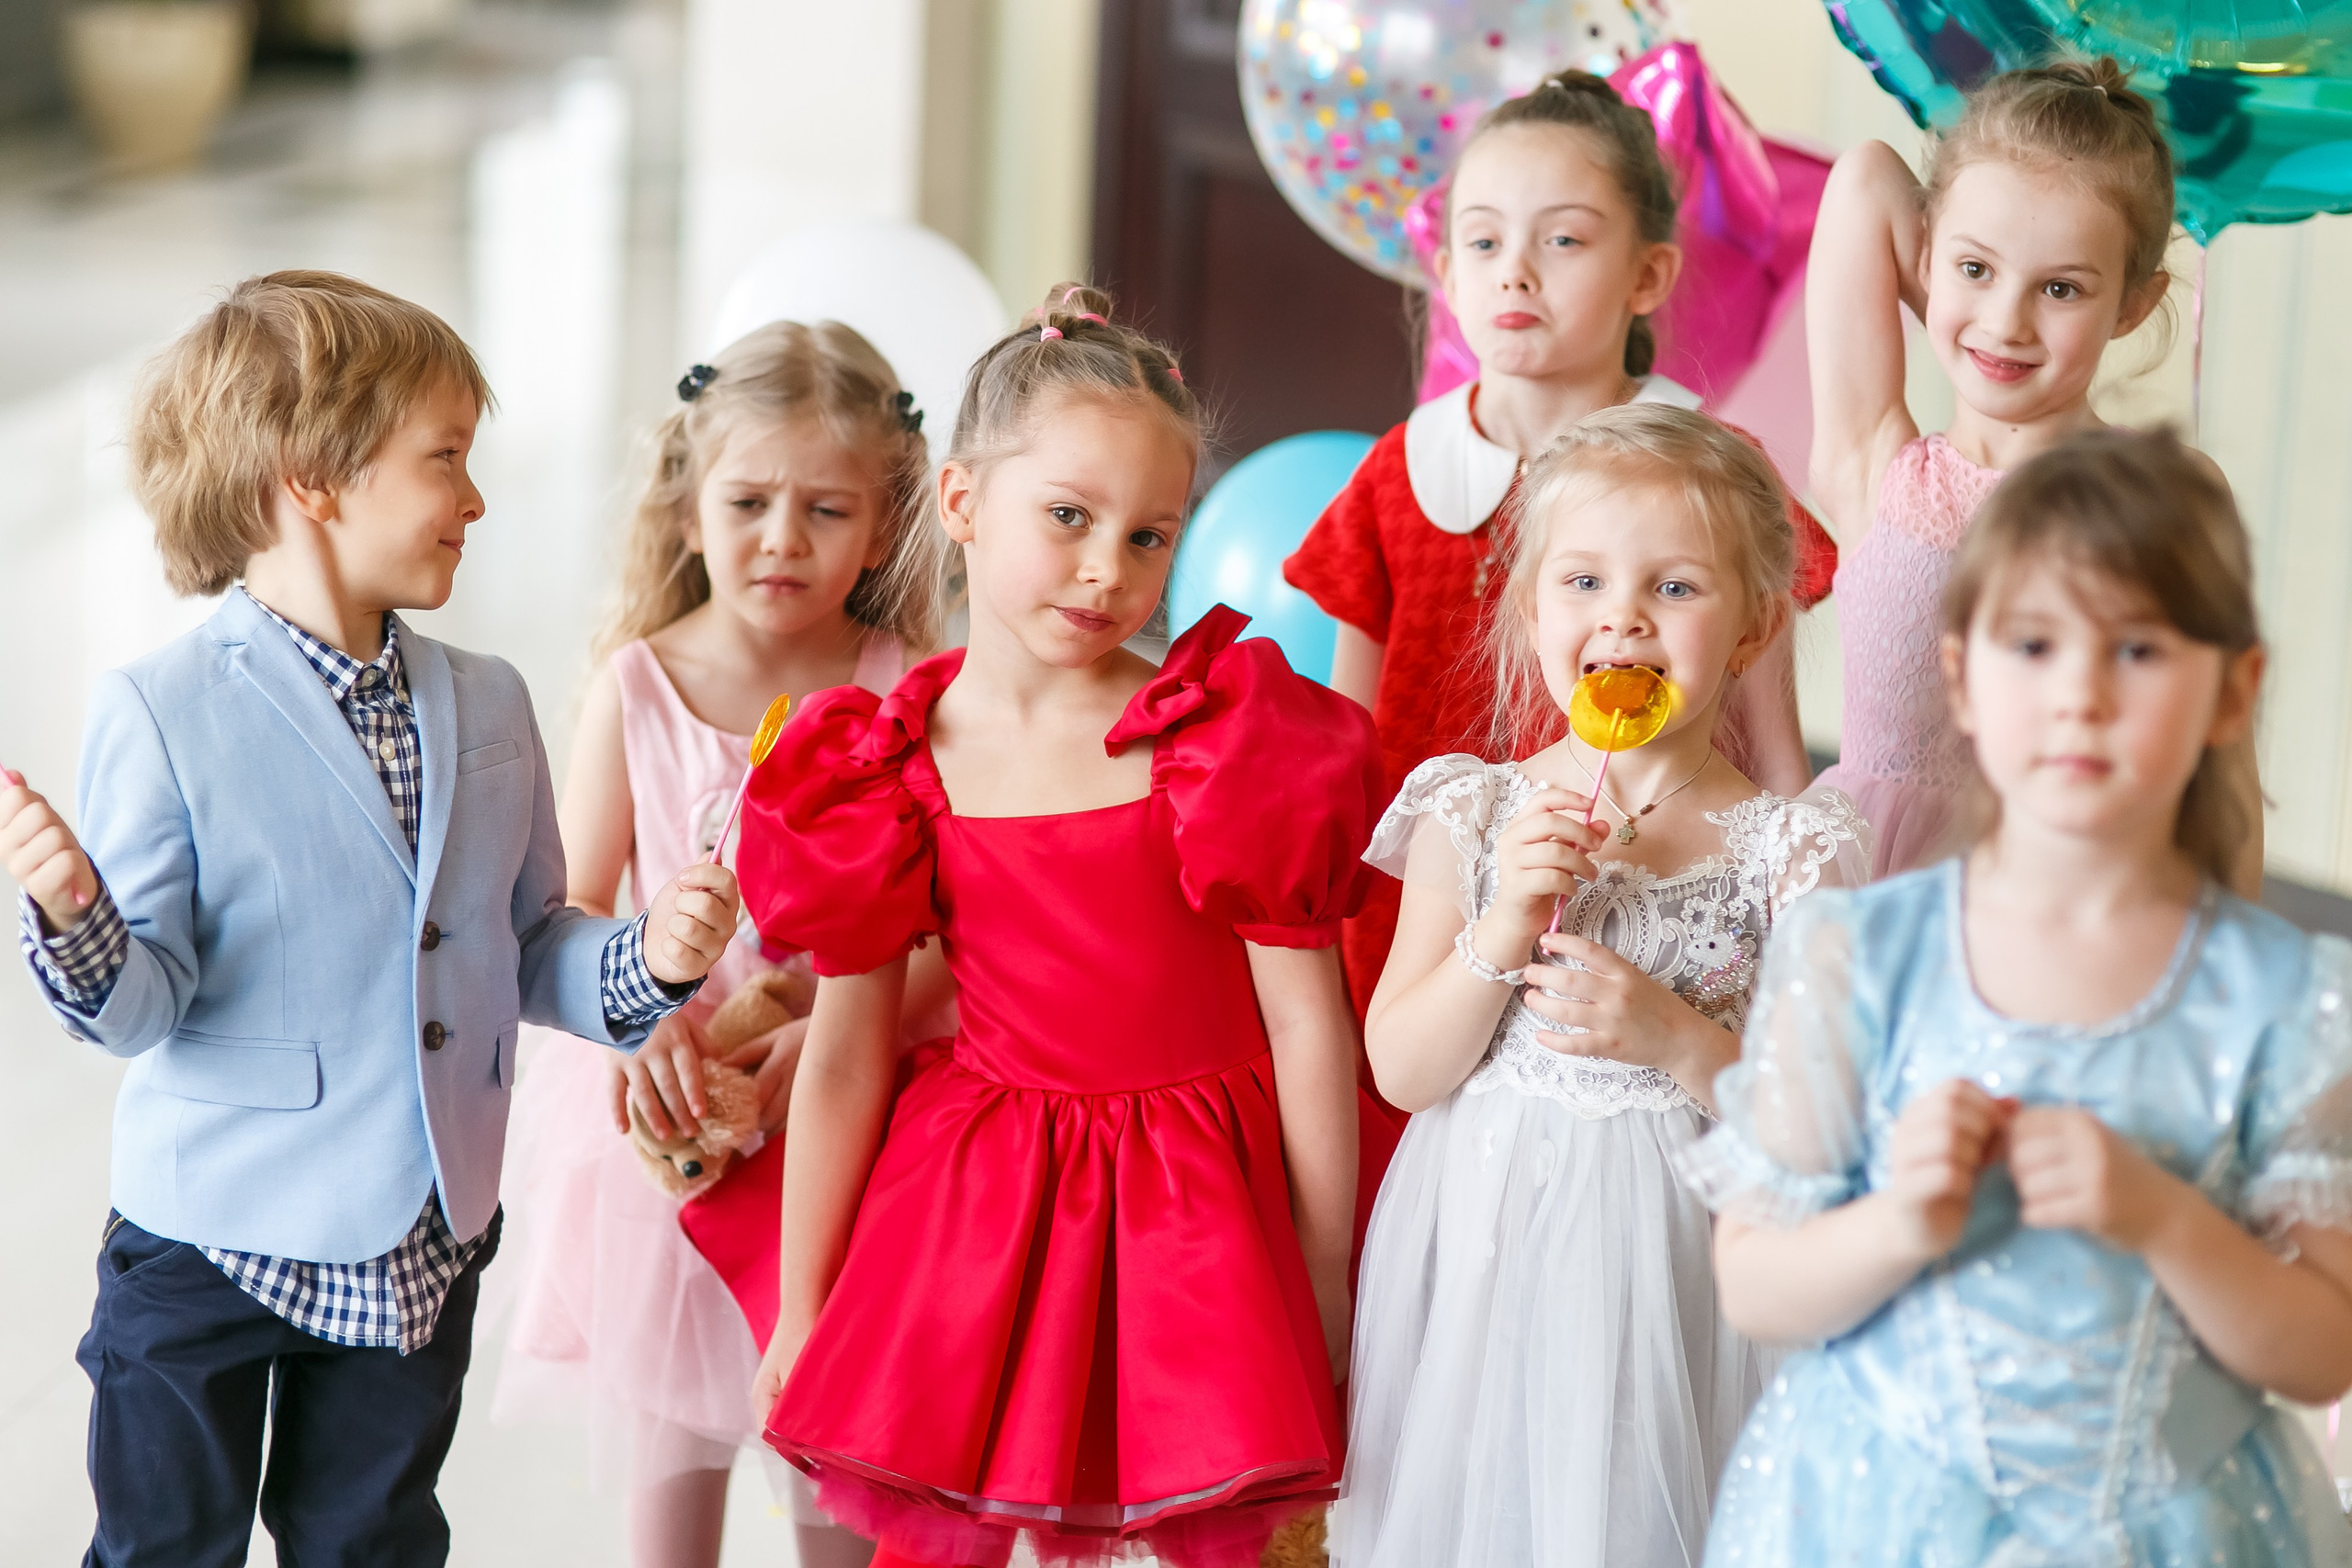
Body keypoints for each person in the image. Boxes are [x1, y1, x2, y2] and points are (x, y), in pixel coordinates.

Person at [0, 271, 737, 1566]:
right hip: (208, 1238)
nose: (475, 497)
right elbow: (145, 1006)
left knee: (377, 1539)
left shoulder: (493, 700)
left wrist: (651, 958)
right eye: (445, 457)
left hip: (418, 1233)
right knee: (166, 1544)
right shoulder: (162, 709)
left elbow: (529, 944)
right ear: (315, 475)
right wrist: (77, 915)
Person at [738, 284, 1380, 1568]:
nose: (1108, 570)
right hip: (983, 1198)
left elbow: (1308, 1026)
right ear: (964, 501)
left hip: (1202, 1209)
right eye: (1070, 518)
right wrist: (802, 1311)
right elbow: (850, 1050)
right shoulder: (880, 761)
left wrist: (1324, 1281)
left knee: (1215, 1538)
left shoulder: (1221, 737)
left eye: (1151, 537)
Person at [1690, 427, 2352, 1566]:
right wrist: (1898, 1220)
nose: (2080, 696)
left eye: (2137, 651)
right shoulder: (1858, 955)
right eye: (2034, 645)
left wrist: (2163, 1219)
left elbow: (2323, 1347)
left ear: (2232, 691)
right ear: (1962, 679)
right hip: (1874, 1514)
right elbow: (1753, 1283)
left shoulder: (2281, 998)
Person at [1338, 403, 1866, 1568]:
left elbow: (1823, 1124)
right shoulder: (1468, 809)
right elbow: (1402, 1067)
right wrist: (1501, 928)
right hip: (1485, 1268)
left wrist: (1674, 1037)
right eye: (1581, 580)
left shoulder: (1789, 848)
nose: (1622, 614)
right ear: (1532, 615)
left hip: (1680, 1278)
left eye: (1674, 588)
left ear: (1750, 631)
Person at [1283, 73, 1837, 1144]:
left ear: (1648, 275)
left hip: (1657, 919)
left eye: (1565, 241)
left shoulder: (1722, 479)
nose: (1516, 274)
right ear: (1442, 271)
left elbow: (1773, 748)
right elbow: (1342, 755)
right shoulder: (1404, 473)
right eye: (1482, 244)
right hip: (1434, 927)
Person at [493, 321, 950, 1568]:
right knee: (671, 1481)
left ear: (887, 520)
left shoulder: (913, 687)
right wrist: (642, 1017)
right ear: (690, 511)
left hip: (848, 1119)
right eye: (748, 500)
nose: (783, 539)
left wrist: (832, 1026)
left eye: (826, 508)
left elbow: (958, 932)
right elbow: (571, 911)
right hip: (673, 1125)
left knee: (838, 1469)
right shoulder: (637, 686)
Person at [1804, 57, 2259, 890]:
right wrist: (1968, 260)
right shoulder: (1876, 467)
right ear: (1929, 250)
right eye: (1975, 270)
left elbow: (2221, 778)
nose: (2006, 323)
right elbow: (1867, 177)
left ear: (2131, 303)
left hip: (2061, 908)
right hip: (1865, 912)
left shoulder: (2161, 496)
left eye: (2060, 288)